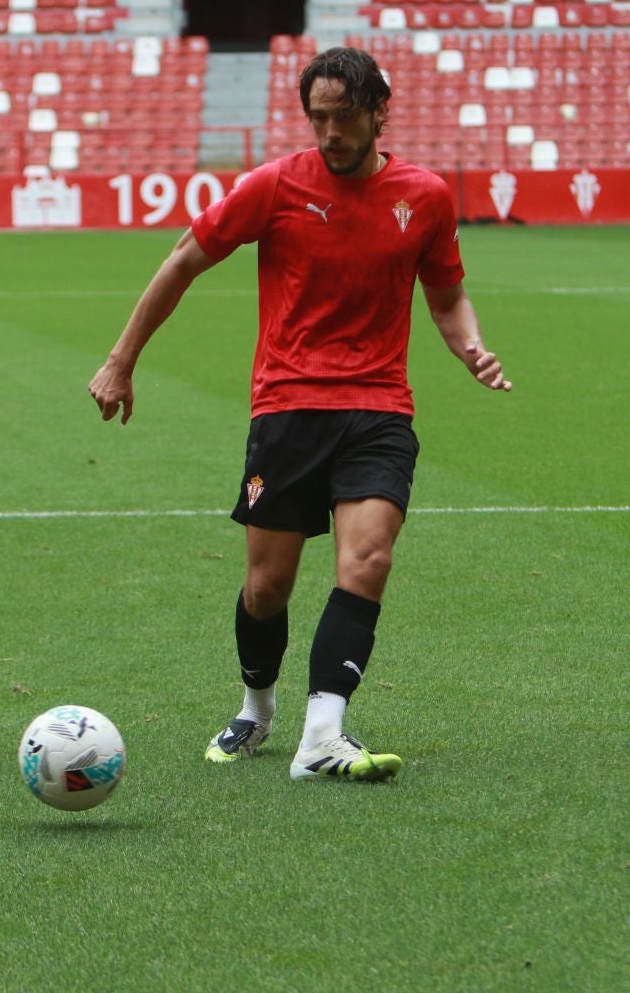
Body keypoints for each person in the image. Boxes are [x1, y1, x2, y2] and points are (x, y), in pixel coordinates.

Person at [88, 46, 512, 784]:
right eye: (317, 118)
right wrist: (122, 359)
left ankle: (325, 732)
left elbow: (446, 299)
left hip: (378, 407)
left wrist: (471, 347)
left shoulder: (426, 197)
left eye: (343, 117)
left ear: (380, 111)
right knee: (267, 588)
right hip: (287, 406)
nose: (329, 134)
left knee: (367, 558)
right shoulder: (276, 185)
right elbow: (186, 256)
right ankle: (257, 705)